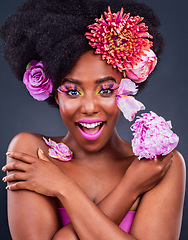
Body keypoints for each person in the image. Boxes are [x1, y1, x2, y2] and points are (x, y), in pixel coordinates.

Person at [1, 0, 186, 239]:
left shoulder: (160, 165)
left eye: (106, 90)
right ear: (55, 94)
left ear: (126, 90)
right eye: (72, 91)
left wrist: (63, 188)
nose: (89, 107)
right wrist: (131, 189)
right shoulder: (31, 153)